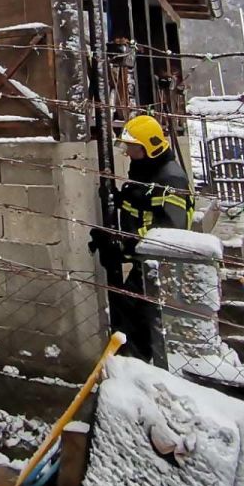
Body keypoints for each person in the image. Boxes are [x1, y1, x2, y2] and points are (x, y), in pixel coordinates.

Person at [90, 114, 194, 359]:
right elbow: (140, 210)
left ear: (150, 147)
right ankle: (135, 364)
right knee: (129, 313)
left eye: (133, 148)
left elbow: (169, 233)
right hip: (144, 262)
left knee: (139, 320)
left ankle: (140, 368)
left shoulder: (169, 179)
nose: (127, 153)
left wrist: (124, 248)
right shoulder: (146, 170)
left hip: (159, 265)